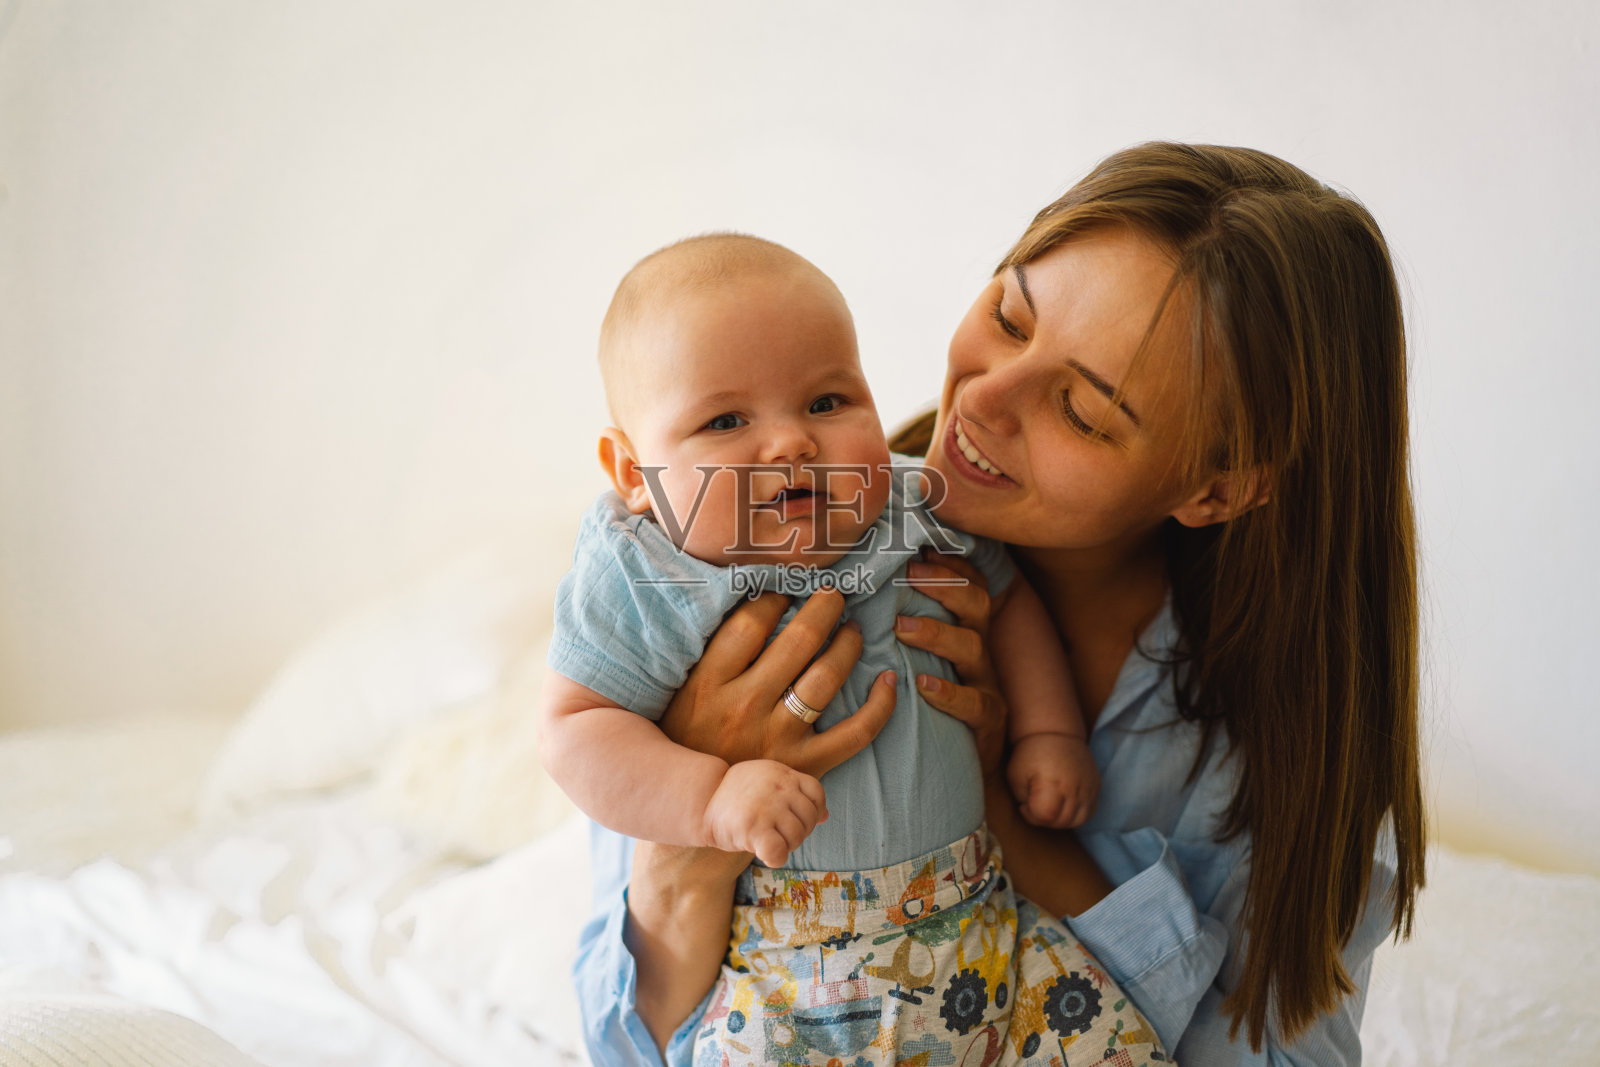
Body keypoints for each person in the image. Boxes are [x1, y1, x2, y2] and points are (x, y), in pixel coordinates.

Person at [573, 142, 1427, 1066]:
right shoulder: (737, 546)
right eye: (1009, 317)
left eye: (1085, 412)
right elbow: (625, 1042)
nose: (983, 398)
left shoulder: (1289, 746)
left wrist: (996, 817)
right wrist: (686, 849)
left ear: (1216, 488)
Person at [543, 234, 1146, 1065]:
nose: (790, 442)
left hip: (982, 930)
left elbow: (1007, 604)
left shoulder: (905, 506)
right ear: (634, 472)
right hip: (790, 974)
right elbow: (575, 728)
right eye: (725, 420)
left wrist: (1048, 733)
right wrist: (710, 797)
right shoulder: (650, 571)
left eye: (827, 402)